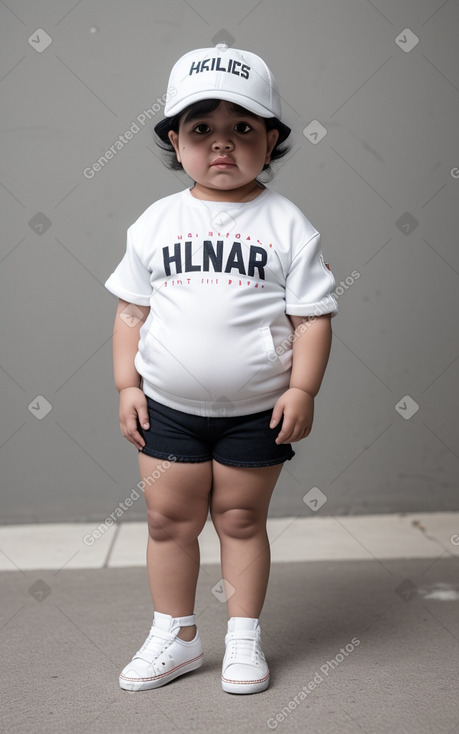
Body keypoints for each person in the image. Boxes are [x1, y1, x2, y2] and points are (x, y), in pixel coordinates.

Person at [105, 43, 338, 695]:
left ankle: (242, 638)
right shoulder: (156, 223)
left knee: (240, 520)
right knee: (166, 521)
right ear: (174, 139)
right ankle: (175, 636)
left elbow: (312, 317)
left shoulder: (287, 224)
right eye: (201, 128)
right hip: (168, 408)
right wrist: (126, 383)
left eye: (241, 128)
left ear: (271, 141)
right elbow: (131, 310)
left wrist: (302, 387)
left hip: (256, 412)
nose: (221, 144)